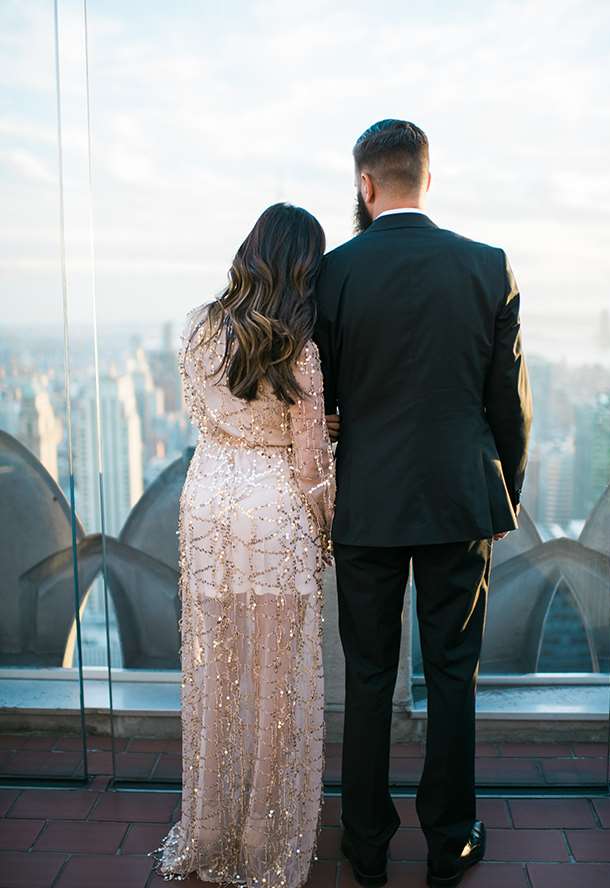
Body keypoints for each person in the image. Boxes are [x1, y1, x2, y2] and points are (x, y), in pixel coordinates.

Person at [315, 119, 533, 887]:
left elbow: (325, 395)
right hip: (456, 500)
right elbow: (508, 406)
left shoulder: (333, 272)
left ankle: (365, 845)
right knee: (452, 672)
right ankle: (449, 838)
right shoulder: (487, 267)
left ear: (365, 185)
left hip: (369, 501)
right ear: (426, 179)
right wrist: (501, 488)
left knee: (369, 674)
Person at [151, 203, 336, 887]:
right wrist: (326, 531)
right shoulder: (300, 350)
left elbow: (205, 416)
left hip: (205, 508)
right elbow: (312, 464)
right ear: (302, 270)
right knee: (275, 685)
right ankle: (264, 840)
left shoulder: (196, 330)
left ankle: (210, 829)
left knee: (217, 676)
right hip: (275, 513)